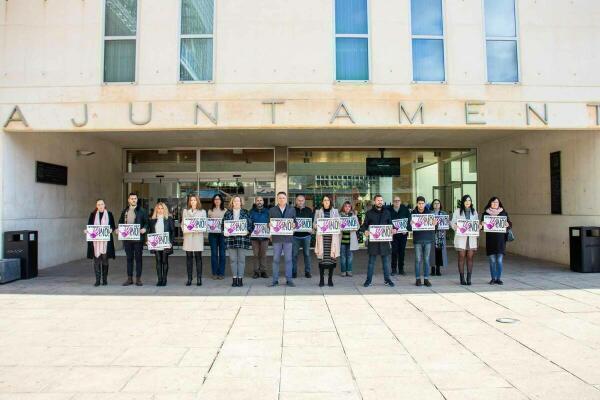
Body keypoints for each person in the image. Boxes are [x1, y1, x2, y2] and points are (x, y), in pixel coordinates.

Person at [359, 194, 395, 287]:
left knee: (386, 263)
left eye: (381, 200)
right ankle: (368, 281)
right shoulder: (369, 213)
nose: (380, 202)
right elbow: (363, 226)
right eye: (378, 200)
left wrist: (393, 229)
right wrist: (365, 231)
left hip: (384, 242)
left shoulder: (387, 212)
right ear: (374, 202)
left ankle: (387, 280)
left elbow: (391, 225)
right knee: (371, 263)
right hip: (373, 242)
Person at [118, 192, 149, 286]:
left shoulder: (142, 211)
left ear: (137, 199)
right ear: (128, 200)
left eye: (135, 198)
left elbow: (147, 223)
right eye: (131, 198)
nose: (133, 200)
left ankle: (138, 279)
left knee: (138, 259)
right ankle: (129, 279)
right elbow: (120, 222)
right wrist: (118, 229)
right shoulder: (125, 211)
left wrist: (145, 228)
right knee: (129, 259)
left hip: (138, 240)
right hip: (127, 239)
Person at [224, 195, 253, 287]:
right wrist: (224, 232)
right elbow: (222, 225)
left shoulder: (246, 212)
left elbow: (251, 225)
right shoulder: (227, 213)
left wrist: (248, 231)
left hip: (242, 239)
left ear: (241, 203)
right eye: (235, 201)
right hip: (231, 239)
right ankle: (234, 278)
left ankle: (240, 279)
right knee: (233, 260)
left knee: (241, 260)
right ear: (232, 202)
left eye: (238, 201)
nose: (236, 203)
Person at [268, 191, 297, 287]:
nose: (281, 199)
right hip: (276, 238)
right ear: (277, 199)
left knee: (288, 260)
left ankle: (289, 280)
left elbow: (295, 222)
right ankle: (275, 280)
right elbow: (269, 223)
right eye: (280, 198)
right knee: (276, 260)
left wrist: (294, 224)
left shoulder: (291, 209)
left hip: (288, 238)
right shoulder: (272, 210)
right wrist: (269, 225)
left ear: (286, 199)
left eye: (283, 198)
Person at [481, 197, 512, 285]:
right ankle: (493, 278)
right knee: (492, 260)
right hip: (490, 240)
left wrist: (508, 224)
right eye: (493, 202)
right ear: (490, 203)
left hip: (501, 240)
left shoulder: (503, 213)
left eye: (497, 202)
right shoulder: (485, 214)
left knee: (499, 260)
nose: (495, 203)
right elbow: (481, 227)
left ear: (499, 203)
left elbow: (510, 224)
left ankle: (498, 278)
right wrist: (482, 224)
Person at [86, 199, 116, 286]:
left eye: (102, 204)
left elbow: (113, 226)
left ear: (104, 205)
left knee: (105, 259)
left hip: (106, 241)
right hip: (96, 242)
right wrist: (87, 231)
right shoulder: (93, 215)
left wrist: (111, 229)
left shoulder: (109, 214)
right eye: (98, 204)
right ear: (96, 206)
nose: (100, 206)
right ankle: (98, 280)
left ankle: (105, 279)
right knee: (96, 260)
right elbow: (90, 226)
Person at [409, 196, 437, 287]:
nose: (421, 205)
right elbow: (409, 228)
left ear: (424, 204)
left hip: (428, 239)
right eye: (419, 203)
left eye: (422, 203)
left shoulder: (429, 213)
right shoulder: (413, 214)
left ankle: (426, 279)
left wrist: (435, 224)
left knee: (426, 260)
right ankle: (417, 279)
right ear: (417, 204)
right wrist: (410, 224)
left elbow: (435, 228)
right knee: (417, 260)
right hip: (417, 240)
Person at [451, 194, 479, 285]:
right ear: (463, 202)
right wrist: (455, 226)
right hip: (461, 238)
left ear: (471, 202)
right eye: (466, 200)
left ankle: (469, 278)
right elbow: (452, 222)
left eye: (469, 200)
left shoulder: (474, 212)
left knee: (470, 258)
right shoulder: (458, 211)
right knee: (461, 257)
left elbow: (476, 223)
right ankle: (462, 278)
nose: (468, 202)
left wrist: (479, 226)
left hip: (471, 238)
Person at [314, 195, 341, 287]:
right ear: (322, 202)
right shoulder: (318, 212)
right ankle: (321, 279)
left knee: (331, 259)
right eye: (324, 200)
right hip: (322, 238)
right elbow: (314, 224)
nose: (326, 202)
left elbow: (339, 224)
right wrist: (316, 226)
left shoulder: (335, 211)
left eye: (328, 200)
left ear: (330, 202)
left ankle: (330, 279)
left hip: (332, 239)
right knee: (322, 260)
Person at [148, 202, 175, 286]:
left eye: (162, 208)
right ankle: (159, 279)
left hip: (165, 243)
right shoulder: (152, 220)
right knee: (158, 261)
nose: (160, 210)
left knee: (164, 261)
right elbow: (150, 232)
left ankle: (164, 279)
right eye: (158, 208)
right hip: (156, 244)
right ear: (156, 209)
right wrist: (148, 240)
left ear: (165, 209)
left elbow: (173, 232)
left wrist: (171, 242)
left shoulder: (169, 219)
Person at [182, 194, 206, 286]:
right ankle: (189, 278)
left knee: (198, 258)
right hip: (188, 237)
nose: (192, 202)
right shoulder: (185, 211)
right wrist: (185, 228)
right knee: (188, 259)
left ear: (197, 201)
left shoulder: (202, 212)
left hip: (197, 237)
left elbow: (204, 224)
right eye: (191, 200)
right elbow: (182, 223)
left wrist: (197, 228)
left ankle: (199, 278)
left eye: (194, 200)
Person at [388, 196, 410, 276]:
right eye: (395, 201)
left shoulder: (405, 209)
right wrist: (391, 229)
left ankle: (401, 269)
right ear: (393, 202)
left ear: (400, 201)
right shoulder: (389, 210)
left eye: (398, 200)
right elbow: (387, 221)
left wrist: (406, 228)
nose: (397, 202)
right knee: (394, 251)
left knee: (402, 252)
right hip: (393, 235)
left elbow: (409, 220)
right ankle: (393, 269)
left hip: (403, 235)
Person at [293, 194, 314, 278]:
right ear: (296, 201)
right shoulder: (292, 210)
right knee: (294, 255)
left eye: (302, 200)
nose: (300, 202)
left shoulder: (309, 210)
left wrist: (312, 229)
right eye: (299, 200)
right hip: (295, 236)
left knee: (307, 254)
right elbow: (290, 222)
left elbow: (312, 222)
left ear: (304, 201)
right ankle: (293, 272)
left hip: (306, 236)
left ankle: (307, 272)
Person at [249, 196, 269, 279]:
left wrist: (270, 233)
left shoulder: (268, 211)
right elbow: (249, 223)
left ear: (263, 202)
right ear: (255, 202)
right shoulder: (251, 212)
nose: (259, 202)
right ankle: (256, 272)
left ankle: (263, 271)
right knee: (256, 255)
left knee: (263, 254)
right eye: (257, 200)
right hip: (254, 237)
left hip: (265, 237)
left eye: (261, 200)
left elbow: (270, 222)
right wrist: (251, 231)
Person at [208, 194, 226, 280]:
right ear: (213, 201)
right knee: (214, 254)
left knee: (222, 254)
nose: (217, 200)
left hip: (222, 234)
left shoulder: (225, 210)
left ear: (221, 200)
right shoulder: (210, 211)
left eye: (218, 199)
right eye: (215, 199)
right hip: (212, 235)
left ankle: (221, 273)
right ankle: (214, 273)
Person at [339, 201, 359, 277]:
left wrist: (353, 227)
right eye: (346, 206)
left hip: (351, 240)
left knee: (350, 256)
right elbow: (337, 227)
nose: (347, 208)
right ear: (343, 207)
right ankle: (343, 271)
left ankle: (349, 271)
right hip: (342, 240)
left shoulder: (354, 216)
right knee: (342, 256)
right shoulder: (339, 216)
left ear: (351, 208)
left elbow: (358, 226)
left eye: (349, 206)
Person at [429, 199, 448, 277]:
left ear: (440, 205)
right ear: (432, 205)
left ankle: (438, 270)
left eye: (438, 203)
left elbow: (447, 224)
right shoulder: (430, 213)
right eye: (435, 203)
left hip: (440, 236)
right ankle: (432, 270)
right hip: (432, 235)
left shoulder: (443, 213)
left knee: (439, 252)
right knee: (432, 252)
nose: (436, 205)